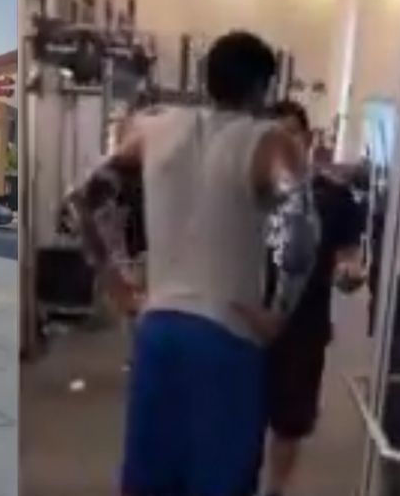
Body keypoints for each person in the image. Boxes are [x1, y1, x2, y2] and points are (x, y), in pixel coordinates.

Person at [63, 31, 315, 496]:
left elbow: (84, 198)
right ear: (264, 87)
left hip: (159, 331)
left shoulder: (155, 130)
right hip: (227, 336)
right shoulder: (271, 143)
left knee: (150, 480)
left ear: (205, 78)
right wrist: (278, 311)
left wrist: (115, 281)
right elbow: (300, 232)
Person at [259, 101, 366, 496]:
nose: (283, 142)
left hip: (302, 330)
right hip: (243, 324)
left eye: (291, 133)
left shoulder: (336, 200)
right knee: (236, 418)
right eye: (273, 135)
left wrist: (348, 273)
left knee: (288, 424)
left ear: (307, 139)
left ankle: (274, 490)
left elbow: (348, 258)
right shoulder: (245, 195)